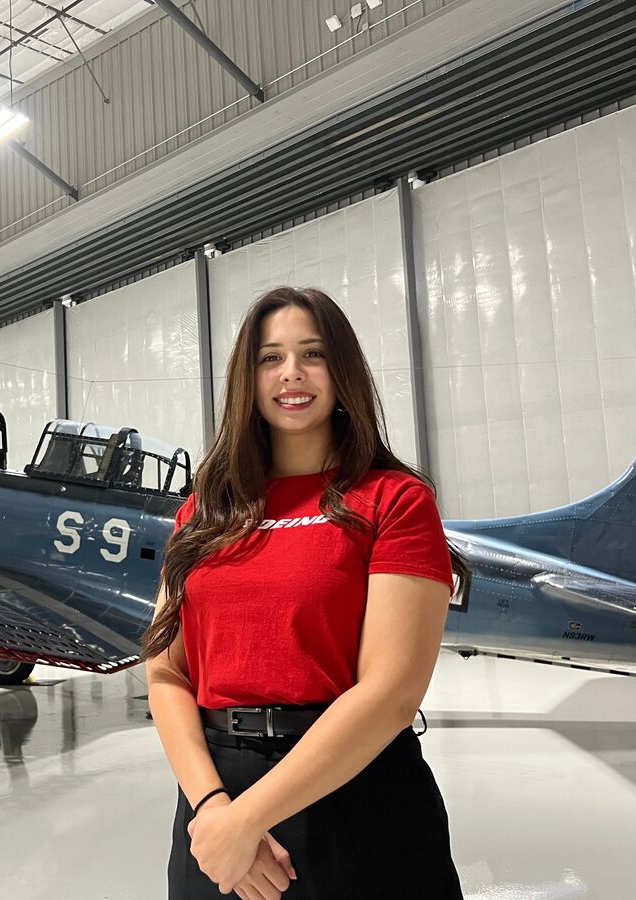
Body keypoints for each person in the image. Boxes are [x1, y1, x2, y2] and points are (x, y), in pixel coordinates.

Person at [142, 286, 469, 899]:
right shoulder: (202, 515)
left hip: (356, 793)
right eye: (271, 357)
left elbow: (392, 691)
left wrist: (247, 819)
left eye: (312, 354)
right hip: (216, 804)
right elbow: (166, 672)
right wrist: (214, 810)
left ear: (343, 371)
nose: (291, 373)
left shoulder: (395, 502)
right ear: (249, 378)